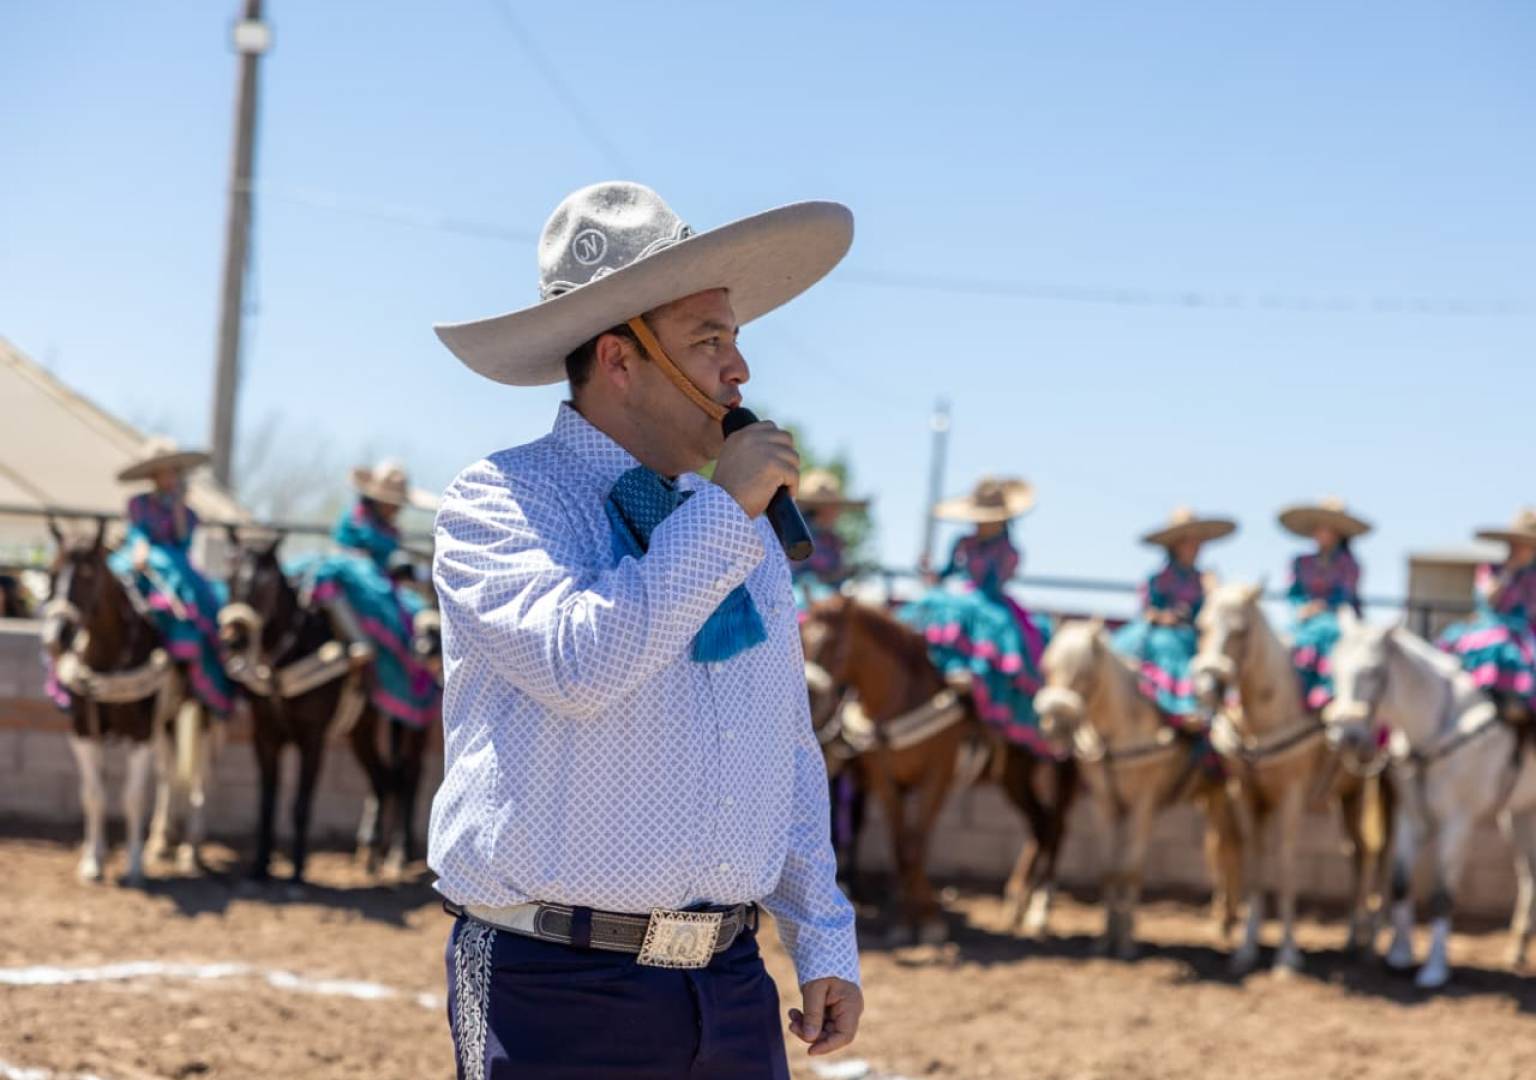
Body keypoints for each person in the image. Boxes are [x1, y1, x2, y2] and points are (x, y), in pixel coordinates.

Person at [427, 181, 862, 1077]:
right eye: (710, 342)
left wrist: (822, 936)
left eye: (734, 341)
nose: (739, 371)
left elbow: (783, 745)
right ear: (620, 360)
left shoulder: (742, 531)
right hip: (552, 987)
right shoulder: (502, 500)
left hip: (731, 983)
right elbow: (578, 665)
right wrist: (725, 514)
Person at [901, 477, 1053, 753]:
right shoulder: (964, 542)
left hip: (989, 600)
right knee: (931, 603)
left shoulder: (1009, 551)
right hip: (961, 593)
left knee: (988, 621)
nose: (980, 523)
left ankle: (972, 678)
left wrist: (967, 591)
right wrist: (933, 575)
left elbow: (995, 583)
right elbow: (948, 572)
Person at [296, 461, 439, 730]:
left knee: (414, 608)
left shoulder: (389, 528)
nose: (396, 508)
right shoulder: (357, 518)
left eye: (397, 503)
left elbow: (389, 560)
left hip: (380, 577)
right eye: (391, 502)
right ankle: (358, 641)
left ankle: (421, 660)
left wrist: (402, 568)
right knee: (374, 597)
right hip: (355, 573)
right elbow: (347, 547)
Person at [106, 438, 232, 718]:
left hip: (174, 559)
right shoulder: (138, 503)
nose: (168, 477)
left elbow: (184, 541)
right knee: (113, 577)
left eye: (172, 472)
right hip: (141, 555)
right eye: (162, 472)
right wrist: (140, 547)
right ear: (153, 476)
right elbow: (138, 532)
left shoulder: (186, 511)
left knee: (193, 586)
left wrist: (178, 510)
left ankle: (182, 641)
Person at [1112, 508, 1236, 725]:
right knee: (1157, 644)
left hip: (1193, 634)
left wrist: (1214, 591)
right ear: (1175, 545)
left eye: (1197, 542)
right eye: (1188, 542)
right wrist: (1165, 618)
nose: (1194, 547)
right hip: (1158, 632)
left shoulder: (1206, 579)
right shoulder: (1158, 577)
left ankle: (1194, 709)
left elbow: (1215, 614)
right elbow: (1148, 609)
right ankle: (1174, 705)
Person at [1439, 508, 1536, 722]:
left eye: (1527, 546)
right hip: (1492, 623)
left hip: (1527, 630)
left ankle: (1519, 704)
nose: (1522, 550)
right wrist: (1509, 571)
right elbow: (1488, 600)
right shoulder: (1492, 569)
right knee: (1494, 640)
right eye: (1518, 544)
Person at [1277, 499, 1369, 712]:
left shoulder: (1349, 564)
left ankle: (1326, 690)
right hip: (1304, 618)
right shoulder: (1300, 562)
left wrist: (1323, 606)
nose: (1323, 533)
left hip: (1337, 616)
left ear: (1338, 533)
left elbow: (1345, 595)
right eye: (1320, 528)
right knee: (1286, 640)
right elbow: (1294, 593)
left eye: (1328, 529)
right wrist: (1302, 608)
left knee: (1329, 632)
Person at [792, 469, 866, 610]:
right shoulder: (797, 533)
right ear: (820, 508)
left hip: (828, 597)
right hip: (801, 598)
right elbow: (798, 574)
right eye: (834, 507)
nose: (838, 512)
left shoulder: (833, 540)